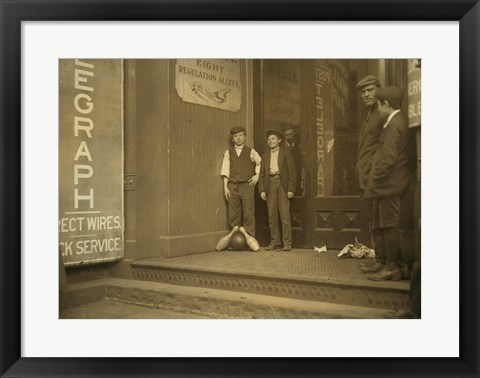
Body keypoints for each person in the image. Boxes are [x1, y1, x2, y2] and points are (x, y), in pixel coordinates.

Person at [364, 86, 416, 281]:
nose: (378, 108)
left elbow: (387, 158)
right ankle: (393, 265)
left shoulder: (394, 124)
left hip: (389, 185)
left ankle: (392, 267)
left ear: (386, 104)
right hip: (394, 183)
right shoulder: (400, 121)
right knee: (388, 223)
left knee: (388, 224)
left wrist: (374, 180)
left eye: (379, 104)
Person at [354, 75, 386, 274]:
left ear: (378, 90)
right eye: (363, 92)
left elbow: (384, 148)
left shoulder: (382, 114)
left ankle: (384, 261)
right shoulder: (369, 114)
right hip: (366, 178)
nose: (366, 94)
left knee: (382, 220)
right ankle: (380, 259)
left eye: (370, 90)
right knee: (374, 219)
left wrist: (375, 174)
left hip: (376, 178)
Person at [258, 130, 297, 251]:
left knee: (284, 215)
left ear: (279, 140)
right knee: (272, 215)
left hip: (282, 185)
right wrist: (262, 190)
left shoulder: (286, 153)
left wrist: (291, 189)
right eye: (269, 139)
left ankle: (287, 242)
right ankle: (275, 241)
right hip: (270, 185)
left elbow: (293, 172)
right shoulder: (265, 156)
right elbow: (261, 175)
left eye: (273, 138)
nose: (270, 141)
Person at [220, 126, 261, 237]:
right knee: (233, 213)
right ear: (232, 139)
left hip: (247, 186)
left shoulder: (251, 151)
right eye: (236, 136)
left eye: (241, 135)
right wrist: (225, 187)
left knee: (249, 212)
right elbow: (225, 170)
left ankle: (249, 239)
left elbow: (260, 163)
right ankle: (235, 239)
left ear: (245, 137)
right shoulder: (228, 152)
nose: (238, 138)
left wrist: (257, 175)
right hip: (232, 185)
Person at [284, 126, 304, 196]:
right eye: (287, 135)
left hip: (297, 170)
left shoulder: (298, 145)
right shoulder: (282, 147)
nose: (289, 136)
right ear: (284, 136)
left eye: (291, 134)